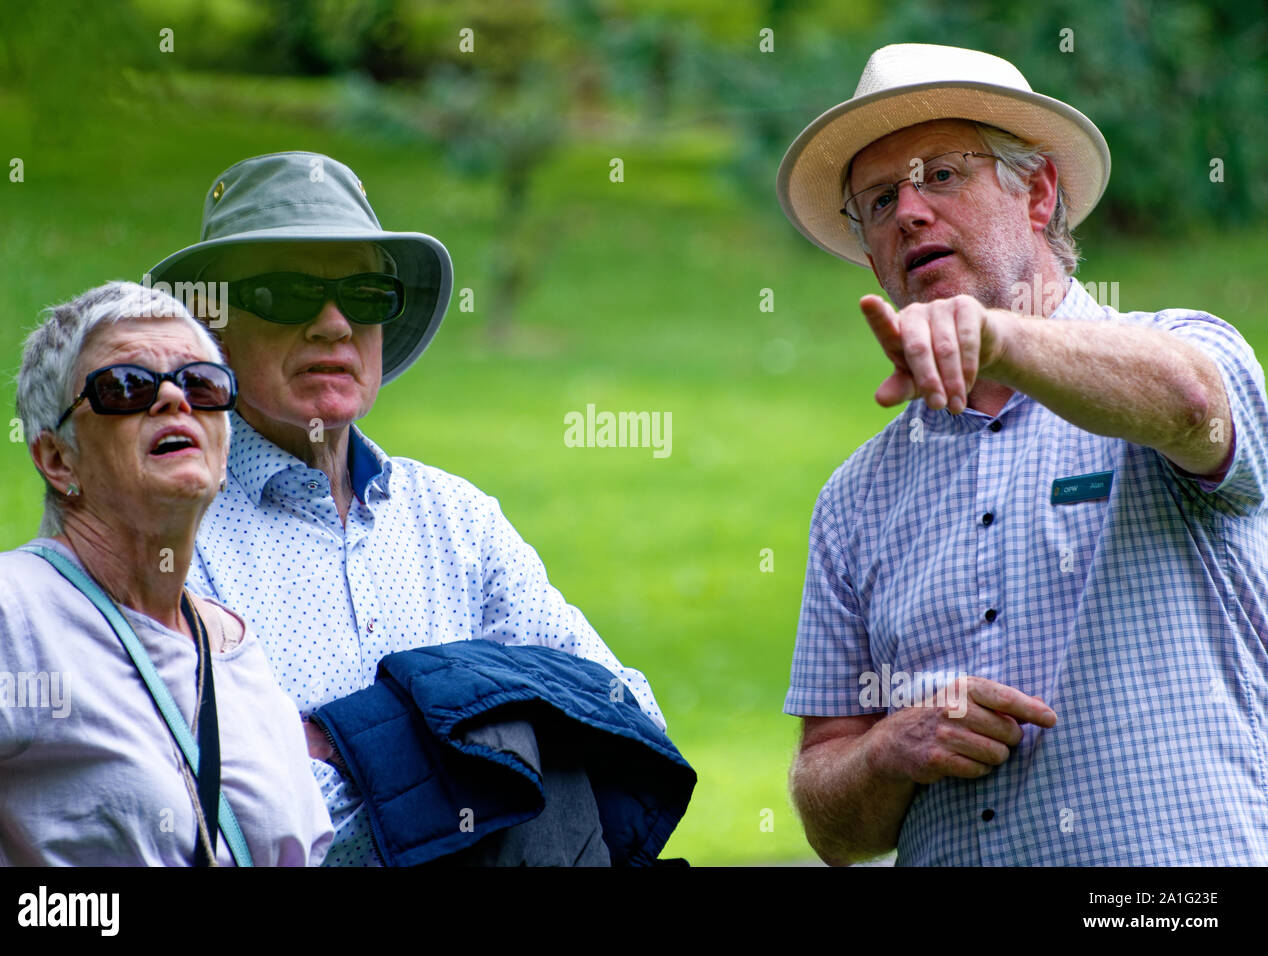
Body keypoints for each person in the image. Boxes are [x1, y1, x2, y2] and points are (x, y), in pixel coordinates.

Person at [776, 44, 1268, 865]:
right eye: (880, 199)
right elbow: (832, 825)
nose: (909, 212)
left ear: (1037, 192)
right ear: (870, 254)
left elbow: (1190, 406)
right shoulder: (853, 498)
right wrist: (890, 751)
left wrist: (995, 338)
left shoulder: (1176, 350)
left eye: (941, 175)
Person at [148, 151, 669, 865]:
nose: (334, 324)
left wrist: (352, 736)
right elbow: (207, 817)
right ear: (215, 334)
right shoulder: (175, 539)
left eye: (364, 294)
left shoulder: (457, 518)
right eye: (288, 292)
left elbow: (625, 712)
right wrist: (482, 732)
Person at [0, 281, 333, 865]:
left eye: (202, 384)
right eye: (126, 387)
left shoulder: (236, 650)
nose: (173, 400)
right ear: (58, 459)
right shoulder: (5, 614)